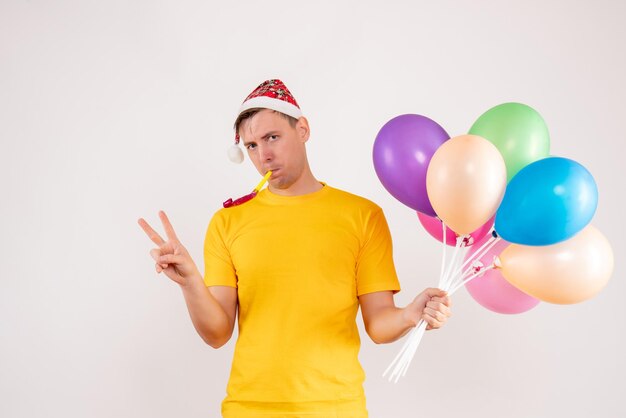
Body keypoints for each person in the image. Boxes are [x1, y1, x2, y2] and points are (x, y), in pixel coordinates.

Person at [138, 79, 452, 418]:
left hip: (336, 409)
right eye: (252, 146)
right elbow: (216, 334)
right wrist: (190, 283)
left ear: (302, 129)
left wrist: (411, 315)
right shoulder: (227, 223)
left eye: (272, 137)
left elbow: (378, 325)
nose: (263, 156)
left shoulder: (362, 216)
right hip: (249, 409)